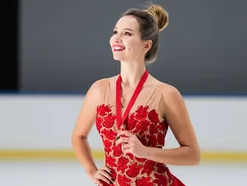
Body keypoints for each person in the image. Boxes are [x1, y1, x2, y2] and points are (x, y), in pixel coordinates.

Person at [71, 3, 200, 186]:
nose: (116, 39)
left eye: (127, 34)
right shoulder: (99, 89)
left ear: (146, 45)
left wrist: (145, 152)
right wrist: (92, 171)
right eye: (115, 32)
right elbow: (78, 136)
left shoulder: (166, 94)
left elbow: (193, 155)